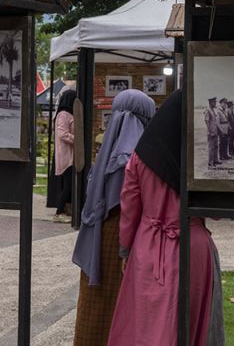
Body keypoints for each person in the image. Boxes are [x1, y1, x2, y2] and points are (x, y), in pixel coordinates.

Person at [108, 90, 224, 346]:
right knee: (192, 320)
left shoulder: (139, 158)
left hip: (148, 244)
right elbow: (216, 212)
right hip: (194, 245)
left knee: (146, 321)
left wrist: (126, 249)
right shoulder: (198, 163)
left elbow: (129, 209)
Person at [72, 89, 156, 345]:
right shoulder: (130, 155)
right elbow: (129, 205)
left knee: (94, 300)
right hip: (119, 237)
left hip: (98, 234)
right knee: (115, 300)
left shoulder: (108, 149)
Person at [53, 89, 77, 223]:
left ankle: (65, 209)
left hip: (71, 154)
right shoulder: (63, 115)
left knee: (69, 184)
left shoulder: (68, 114)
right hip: (66, 154)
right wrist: (77, 139)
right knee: (68, 185)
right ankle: (58, 212)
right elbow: (62, 134)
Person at [205, 97, 220, 167]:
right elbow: (207, 122)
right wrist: (210, 131)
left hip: (215, 131)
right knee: (211, 147)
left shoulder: (213, 110)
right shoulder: (208, 110)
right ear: (210, 102)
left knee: (216, 146)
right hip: (211, 132)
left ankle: (216, 160)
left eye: (215, 102)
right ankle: (210, 162)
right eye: (214, 102)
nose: (215, 103)